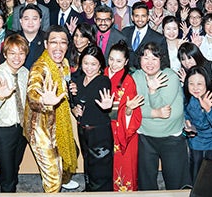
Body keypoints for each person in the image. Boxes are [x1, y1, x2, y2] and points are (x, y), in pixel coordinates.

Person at [23, 25, 79, 192]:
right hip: (41, 130)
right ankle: (56, 184)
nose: (59, 47)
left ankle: (65, 178)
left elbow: (66, 83)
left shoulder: (65, 63)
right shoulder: (40, 67)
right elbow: (32, 92)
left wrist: (70, 89)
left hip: (60, 123)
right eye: (54, 42)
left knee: (71, 153)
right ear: (46, 44)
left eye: (63, 42)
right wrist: (43, 100)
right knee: (53, 178)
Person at [132, 42, 190, 190]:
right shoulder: (136, 76)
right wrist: (154, 113)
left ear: (161, 60)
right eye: (145, 57)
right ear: (139, 59)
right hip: (145, 136)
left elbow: (164, 109)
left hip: (171, 137)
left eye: (154, 58)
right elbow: (133, 108)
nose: (149, 63)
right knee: (146, 183)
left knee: (176, 181)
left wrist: (152, 91)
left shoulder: (170, 76)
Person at [0, 34, 29, 192]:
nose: (17, 58)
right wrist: (0, 96)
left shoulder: (25, 72)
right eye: (12, 53)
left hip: (22, 128)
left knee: (14, 166)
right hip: (4, 130)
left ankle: (8, 183)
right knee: (8, 173)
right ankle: (7, 190)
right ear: (5, 54)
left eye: (21, 53)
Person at [69, 45, 113, 191]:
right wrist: (74, 107)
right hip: (83, 130)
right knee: (88, 164)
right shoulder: (79, 80)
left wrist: (107, 107)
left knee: (101, 170)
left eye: (93, 64)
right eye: (85, 63)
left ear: (100, 64)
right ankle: (89, 190)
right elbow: (76, 104)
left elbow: (100, 101)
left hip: (99, 133)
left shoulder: (103, 81)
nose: (89, 67)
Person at [102, 41, 142, 191]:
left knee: (124, 169)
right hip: (104, 129)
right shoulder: (102, 74)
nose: (114, 64)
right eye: (111, 59)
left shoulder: (128, 82)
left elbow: (132, 111)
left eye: (119, 61)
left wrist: (128, 110)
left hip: (122, 130)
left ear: (126, 62)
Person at [183, 66, 212, 184]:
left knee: (210, 175)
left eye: (199, 84)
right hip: (195, 138)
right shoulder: (185, 93)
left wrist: (208, 109)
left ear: (207, 82)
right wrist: (187, 122)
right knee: (195, 173)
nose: (195, 88)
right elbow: (184, 113)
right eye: (191, 83)